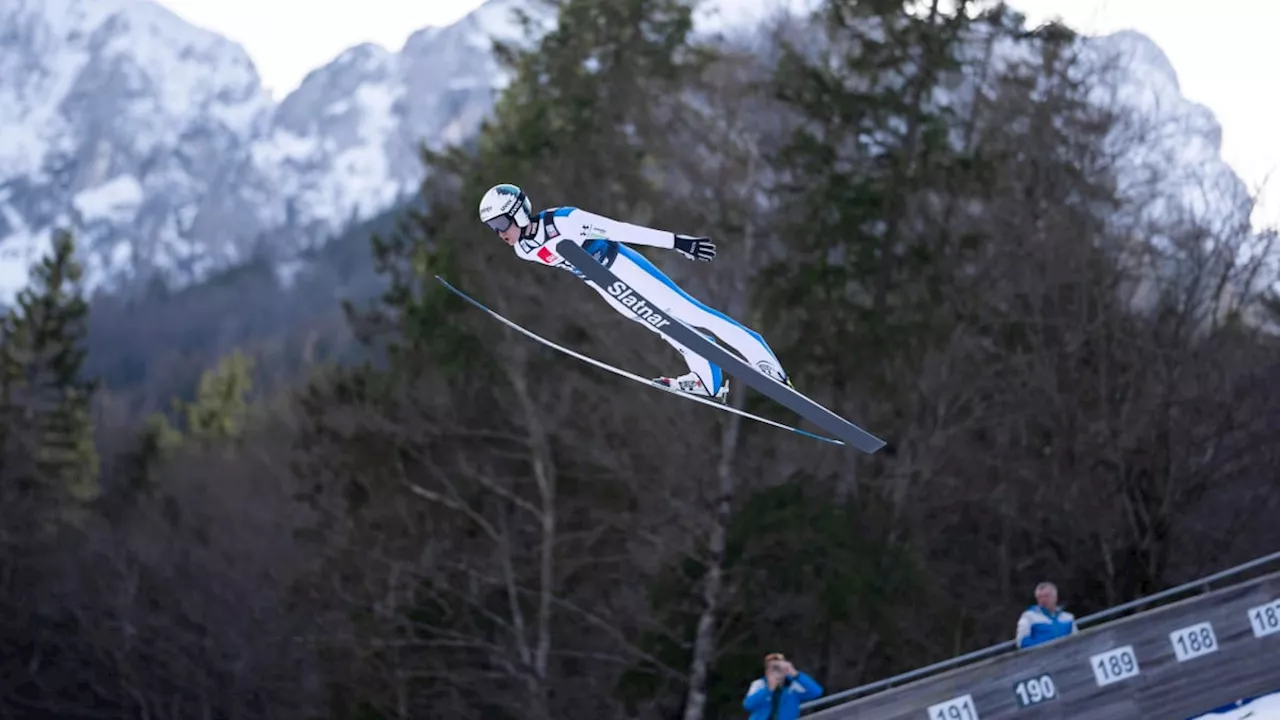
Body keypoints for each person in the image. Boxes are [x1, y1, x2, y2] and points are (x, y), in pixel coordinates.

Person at [477, 183, 794, 403]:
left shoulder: (565, 220)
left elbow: (620, 230)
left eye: (502, 222)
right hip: (605, 286)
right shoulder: (524, 250)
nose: (500, 233)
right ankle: (707, 381)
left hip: (624, 266)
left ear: (518, 212)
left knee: (691, 313)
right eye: (493, 228)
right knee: (665, 327)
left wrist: (678, 242)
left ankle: (765, 362)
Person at [742, 652, 824, 720]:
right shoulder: (759, 684)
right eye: (773, 668)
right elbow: (748, 705)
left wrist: (795, 674)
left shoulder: (793, 686)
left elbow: (817, 692)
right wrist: (767, 690)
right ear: (766, 670)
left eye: (779, 667)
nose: (776, 671)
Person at [1015, 581, 1079, 649]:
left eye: (1046, 596)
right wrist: (1045, 645)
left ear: (1055, 597)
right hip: (1041, 657)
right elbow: (1021, 642)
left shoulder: (1068, 618)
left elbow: (1076, 640)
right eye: (1040, 597)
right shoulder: (1028, 617)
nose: (1043, 600)